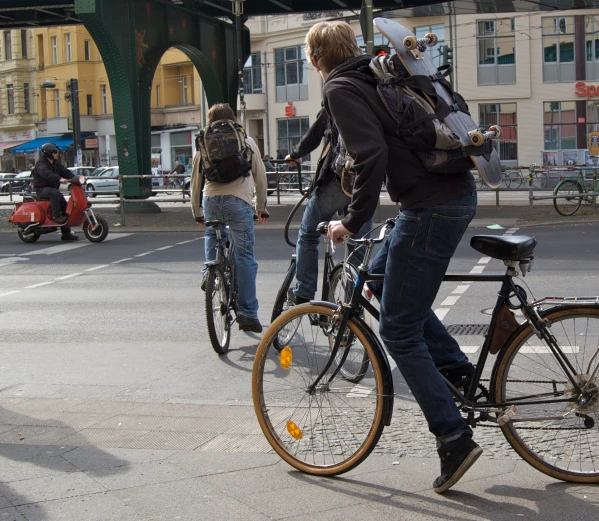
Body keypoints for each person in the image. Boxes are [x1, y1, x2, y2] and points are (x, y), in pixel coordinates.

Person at [308, 21, 480, 492]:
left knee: (398, 333)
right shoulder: (377, 72)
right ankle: (457, 372)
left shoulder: (341, 87)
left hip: (430, 206)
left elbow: (371, 154)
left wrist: (351, 223)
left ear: (315, 59)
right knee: (382, 278)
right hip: (449, 193)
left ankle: (453, 439)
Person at [191, 103, 270, 334]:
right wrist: (261, 207)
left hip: (211, 200)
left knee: (211, 233)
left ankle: (210, 272)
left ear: (210, 120)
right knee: (244, 256)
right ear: (233, 119)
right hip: (239, 202)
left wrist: (196, 211)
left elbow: (196, 180)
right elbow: (260, 176)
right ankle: (247, 313)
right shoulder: (246, 140)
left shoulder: (203, 142)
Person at [284, 106, 373, 305]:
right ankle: (353, 305)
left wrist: (295, 153)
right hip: (366, 183)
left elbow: (315, 134)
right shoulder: (374, 93)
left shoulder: (337, 92)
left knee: (308, 234)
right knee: (357, 247)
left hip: (337, 181)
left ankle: (304, 291)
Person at [32, 143, 79, 241]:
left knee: (65, 206)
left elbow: (65, 171)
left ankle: (66, 233)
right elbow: (47, 174)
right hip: (41, 189)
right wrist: (60, 179)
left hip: (53, 190)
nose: (57, 154)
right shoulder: (40, 164)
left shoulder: (56, 163)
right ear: (48, 153)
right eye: (55, 152)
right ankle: (56, 217)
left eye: (57, 152)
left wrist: (76, 178)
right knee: (54, 192)